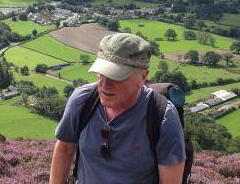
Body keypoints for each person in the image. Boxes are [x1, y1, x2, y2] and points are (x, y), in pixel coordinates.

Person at [49, 33, 185, 184]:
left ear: (144, 76)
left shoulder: (162, 117)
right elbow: (65, 149)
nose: (105, 85)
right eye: (102, 74)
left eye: (117, 77)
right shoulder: (82, 101)